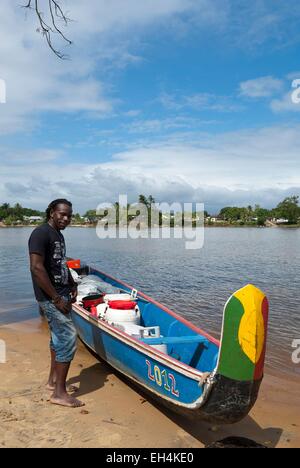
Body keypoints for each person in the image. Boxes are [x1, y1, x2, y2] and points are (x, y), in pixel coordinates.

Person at [28, 199, 84, 408]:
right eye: (62, 214)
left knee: (57, 337)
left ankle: (53, 382)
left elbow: (58, 263)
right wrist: (57, 298)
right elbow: (37, 268)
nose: (66, 218)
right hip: (51, 297)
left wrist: (71, 283)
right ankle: (59, 394)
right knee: (68, 338)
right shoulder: (40, 233)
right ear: (52, 212)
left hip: (61, 293)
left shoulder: (57, 234)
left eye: (69, 215)